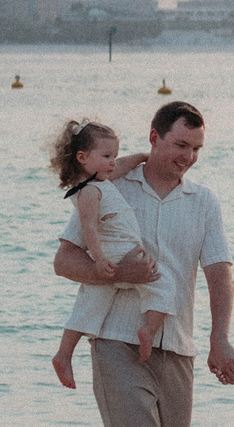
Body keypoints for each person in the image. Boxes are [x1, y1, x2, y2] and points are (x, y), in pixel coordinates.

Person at [50, 100, 234, 427]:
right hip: (114, 340)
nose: (189, 158)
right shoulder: (109, 186)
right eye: (180, 146)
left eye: (197, 149)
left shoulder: (204, 202)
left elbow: (219, 275)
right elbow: (64, 260)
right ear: (153, 139)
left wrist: (221, 339)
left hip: (176, 344)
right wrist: (114, 273)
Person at [46, 118, 166, 388]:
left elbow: (123, 165)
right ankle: (148, 330)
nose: (114, 161)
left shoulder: (99, 177)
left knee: (92, 302)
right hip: (117, 249)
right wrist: (99, 260)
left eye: (114, 155)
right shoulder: (89, 191)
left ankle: (63, 354)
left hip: (116, 250)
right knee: (163, 285)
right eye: (107, 156)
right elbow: (89, 228)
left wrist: (145, 157)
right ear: (82, 157)